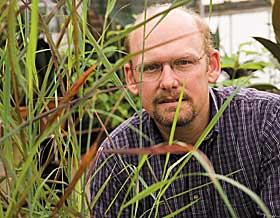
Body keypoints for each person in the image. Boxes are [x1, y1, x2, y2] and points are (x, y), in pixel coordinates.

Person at [90, 3, 280, 217]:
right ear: (131, 78)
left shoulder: (268, 123)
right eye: (151, 67)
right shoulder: (117, 158)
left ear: (213, 66)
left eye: (183, 62)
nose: (168, 81)